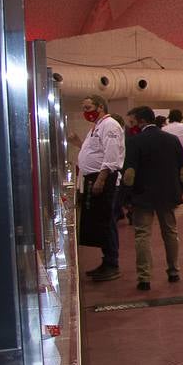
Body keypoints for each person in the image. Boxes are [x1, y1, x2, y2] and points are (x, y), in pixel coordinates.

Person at [121, 106, 183, 291]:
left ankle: (144, 277)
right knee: (170, 232)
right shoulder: (173, 140)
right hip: (168, 193)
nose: (131, 126)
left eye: (132, 122)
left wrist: (127, 196)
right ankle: (174, 271)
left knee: (143, 234)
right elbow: (182, 170)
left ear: (141, 121)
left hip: (143, 194)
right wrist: (179, 190)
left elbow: (129, 173)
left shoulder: (135, 142)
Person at [71, 93, 125, 280]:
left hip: (103, 179)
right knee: (100, 221)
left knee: (106, 220)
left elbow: (111, 157)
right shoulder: (97, 127)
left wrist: (101, 179)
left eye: (88, 108)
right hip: (93, 178)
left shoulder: (110, 126)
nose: (86, 112)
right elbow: (94, 151)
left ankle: (111, 262)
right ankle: (106, 260)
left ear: (100, 106)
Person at [163, 109, 183, 205]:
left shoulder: (165, 129)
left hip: (171, 159)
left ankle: (176, 200)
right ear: (180, 117)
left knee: (174, 180)